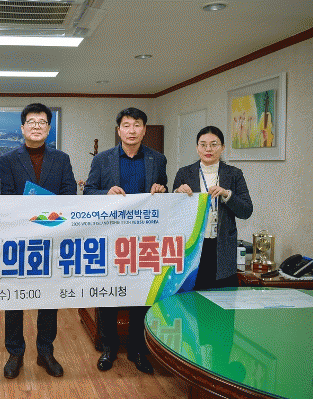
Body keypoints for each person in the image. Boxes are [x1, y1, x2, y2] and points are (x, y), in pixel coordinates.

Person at [83, 107, 167, 375]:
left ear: (144, 129)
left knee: (142, 296)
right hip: (112, 237)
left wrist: (162, 190)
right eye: (126, 125)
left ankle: (137, 349)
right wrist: (105, 193)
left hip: (145, 240)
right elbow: (88, 192)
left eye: (137, 125)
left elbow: (164, 194)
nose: (132, 130)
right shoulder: (103, 160)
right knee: (109, 294)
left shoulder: (157, 159)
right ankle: (108, 348)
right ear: (118, 130)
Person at [0, 103, 77, 379]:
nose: (36, 126)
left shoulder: (62, 159)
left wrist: (43, 214)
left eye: (42, 122)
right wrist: (35, 213)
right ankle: (15, 353)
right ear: (22, 128)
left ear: (48, 128)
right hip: (18, 239)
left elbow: (69, 195)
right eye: (31, 122)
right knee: (14, 299)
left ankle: (45, 351)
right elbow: (6, 197)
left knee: (49, 297)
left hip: (51, 239)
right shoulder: (8, 159)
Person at [173, 125, 253, 290]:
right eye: (203, 145)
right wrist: (177, 193)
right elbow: (173, 212)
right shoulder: (184, 173)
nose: (208, 149)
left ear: (222, 147)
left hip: (222, 245)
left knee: (223, 295)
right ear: (197, 148)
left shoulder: (234, 174)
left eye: (214, 144)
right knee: (193, 295)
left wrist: (227, 194)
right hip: (193, 245)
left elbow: (246, 211)